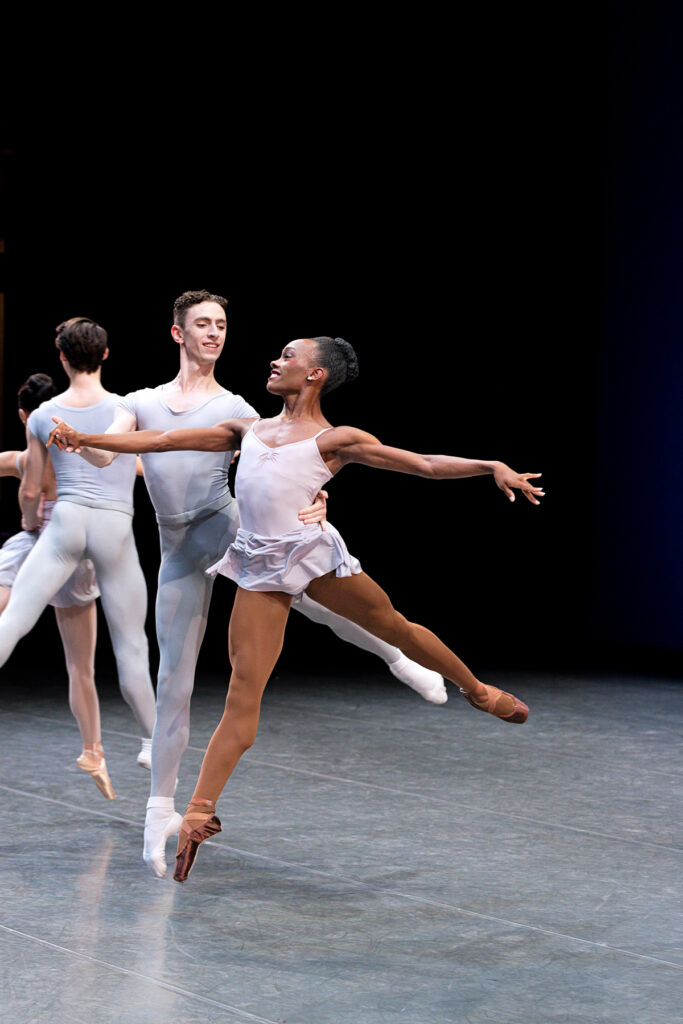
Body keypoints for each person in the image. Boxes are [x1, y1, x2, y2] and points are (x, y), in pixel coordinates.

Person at [49, 334, 545, 883]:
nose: (275, 360)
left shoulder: (336, 438)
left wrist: (490, 464)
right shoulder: (247, 430)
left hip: (310, 555)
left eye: (288, 356)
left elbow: (423, 464)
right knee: (244, 690)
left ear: (315, 375)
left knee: (394, 627)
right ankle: (199, 812)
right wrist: (84, 437)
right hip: (260, 566)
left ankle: (475, 690)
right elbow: (163, 439)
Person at [0, 319, 157, 800]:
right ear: (106, 354)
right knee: (131, 647)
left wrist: (30, 523)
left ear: (61, 356)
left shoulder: (45, 413)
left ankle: (114, 744)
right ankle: (153, 740)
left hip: (63, 523)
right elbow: (142, 460)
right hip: (112, 528)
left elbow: (31, 486)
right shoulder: (125, 406)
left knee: (14, 623)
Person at [0, 373, 115, 797]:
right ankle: (93, 749)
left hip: (39, 548)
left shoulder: (23, 459)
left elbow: (31, 497)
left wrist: (30, 520)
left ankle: (95, 750)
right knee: (80, 668)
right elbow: (139, 463)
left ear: (23, 416)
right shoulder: (83, 454)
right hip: (69, 554)